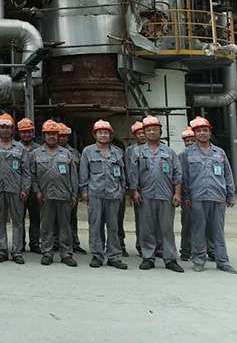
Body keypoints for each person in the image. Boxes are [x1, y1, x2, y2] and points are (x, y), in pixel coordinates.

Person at [127, 115, 184, 272]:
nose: (152, 132)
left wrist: (177, 194)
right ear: (145, 133)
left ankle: (170, 258)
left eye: (155, 129)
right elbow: (133, 174)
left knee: (167, 228)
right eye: (149, 130)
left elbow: (177, 174)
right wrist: (134, 191)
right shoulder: (138, 152)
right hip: (145, 195)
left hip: (166, 195)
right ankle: (148, 257)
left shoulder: (169, 152)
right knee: (147, 227)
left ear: (160, 132)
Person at [182, 116, 237, 274]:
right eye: (199, 131)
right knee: (198, 230)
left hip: (217, 197)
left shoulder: (219, 153)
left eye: (205, 130)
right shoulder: (187, 154)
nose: (202, 133)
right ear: (194, 134)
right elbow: (183, 178)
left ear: (210, 133)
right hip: (197, 198)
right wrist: (185, 197)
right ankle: (199, 260)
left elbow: (227, 174)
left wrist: (230, 194)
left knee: (218, 231)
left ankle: (223, 261)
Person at [79, 120, 128, 270]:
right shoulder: (88, 151)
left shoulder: (118, 152)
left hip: (113, 194)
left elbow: (122, 174)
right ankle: (97, 255)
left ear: (110, 135)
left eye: (106, 132)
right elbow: (84, 173)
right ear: (95, 135)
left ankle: (114, 256)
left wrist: (122, 190)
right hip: (95, 194)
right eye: (100, 132)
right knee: (96, 225)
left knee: (113, 226)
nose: (103, 135)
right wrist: (84, 191)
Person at [31, 120, 77, 267]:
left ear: (58, 136)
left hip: (64, 195)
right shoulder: (36, 154)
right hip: (45, 196)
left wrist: (74, 194)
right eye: (49, 134)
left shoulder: (66, 153)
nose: (52, 136)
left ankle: (66, 254)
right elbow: (33, 176)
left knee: (65, 226)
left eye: (54, 134)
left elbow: (73, 176)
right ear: (44, 136)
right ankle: (47, 253)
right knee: (46, 225)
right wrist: (37, 191)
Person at [0, 113, 30, 264]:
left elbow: (26, 171)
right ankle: (2, 250)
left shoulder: (20, 148)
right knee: (0, 221)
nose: (5, 130)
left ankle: (17, 251)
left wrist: (25, 189)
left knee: (17, 221)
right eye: (2, 127)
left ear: (12, 129)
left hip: (16, 190)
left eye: (7, 127)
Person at [179, 127, 214, 260]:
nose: (189, 143)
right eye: (186, 140)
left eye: (191, 140)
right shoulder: (182, 156)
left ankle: (211, 250)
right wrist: (184, 196)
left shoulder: (210, 153)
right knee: (188, 224)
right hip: (188, 197)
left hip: (206, 195)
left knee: (208, 224)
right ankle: (186, 250)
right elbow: (180, 178)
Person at [58, 122, 85, 254]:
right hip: (55, 190)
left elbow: (80, 173)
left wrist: (79, 191)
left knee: (72, 219)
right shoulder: (49, 152)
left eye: (64, 136)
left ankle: (74, 243)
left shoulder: (74, 153)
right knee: (54, 219)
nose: (62, 138)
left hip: (70, 191)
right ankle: (56, 243)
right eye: (60, 136)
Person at [18, 117, 41, 253]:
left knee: (35, 217)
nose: (26, 134)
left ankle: (35, 243)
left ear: (33, 133)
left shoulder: (39, 149)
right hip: (19, 188)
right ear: (19, 133)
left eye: (29, 132)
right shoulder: (15, 148)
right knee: (19, 218)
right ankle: (20, 243)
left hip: (35, 189)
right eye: (24, 132)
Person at [126, 121, 146, 256]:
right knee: (141, 219)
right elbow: (129, 170)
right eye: (139, 133)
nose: (142, 135)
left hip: (155, 189)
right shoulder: (130, 150)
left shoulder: (159, 148)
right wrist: (132, 190)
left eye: (143, 132)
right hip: (138, 189)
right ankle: (141, 246)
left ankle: (157, 246)